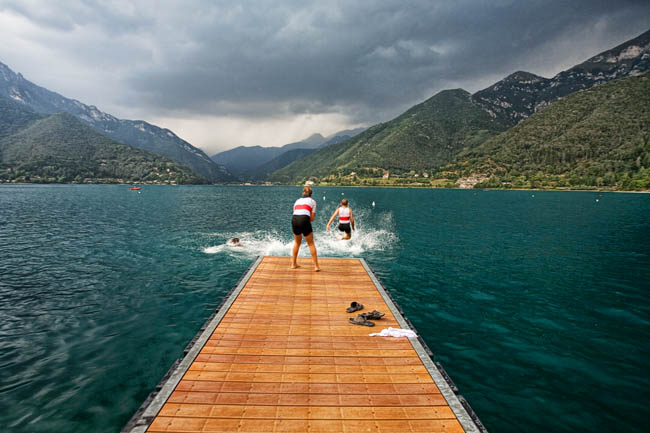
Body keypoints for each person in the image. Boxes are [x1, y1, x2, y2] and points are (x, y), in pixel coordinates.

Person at [291, 185, 320, 271]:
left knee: (297, 242)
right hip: (304, 219)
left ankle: (293, 264)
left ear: (302, 194)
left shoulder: (297, 201)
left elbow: (295, 212)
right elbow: (312, 218)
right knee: (311, 243)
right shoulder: (313, 201)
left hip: (294, 219)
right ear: (311, 195)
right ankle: (316, 266)